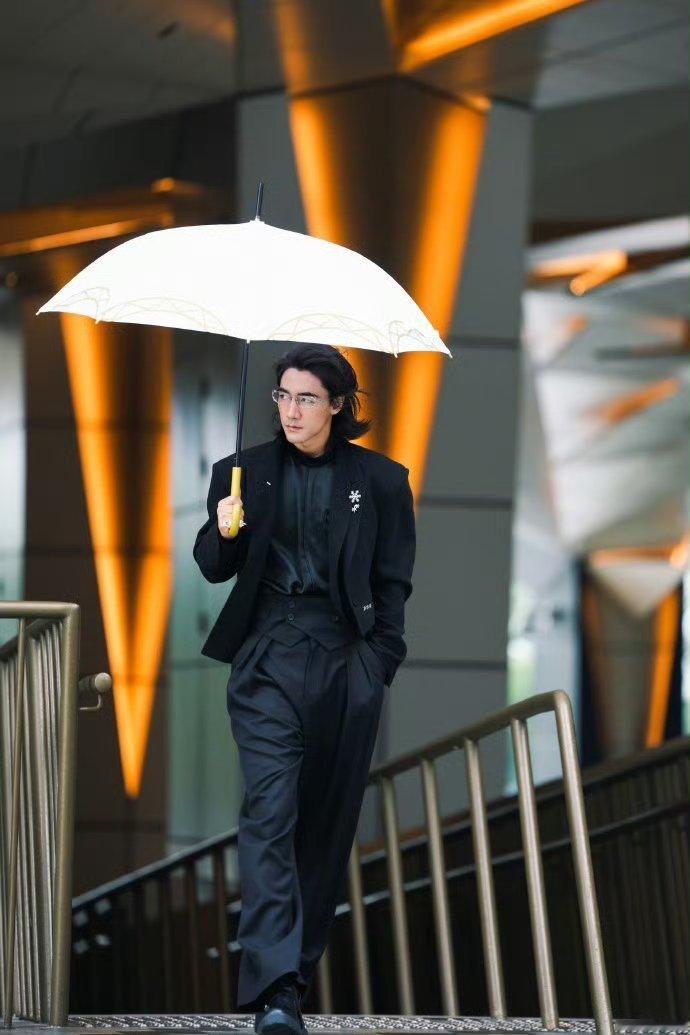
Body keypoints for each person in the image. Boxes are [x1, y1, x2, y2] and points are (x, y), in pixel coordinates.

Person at [192, 343, 416, 1034]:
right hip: (266, 660)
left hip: (346, 664)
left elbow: (393, 582)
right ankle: (274, 989)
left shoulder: (381, 481)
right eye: (283, 396)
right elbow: (212, 565)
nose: (291, 411)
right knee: (270, 812)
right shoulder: (241, 472)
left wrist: (378, 664)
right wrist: (224, 529)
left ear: (338, 405)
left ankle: (294, 976)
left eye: (307, 398)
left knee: (324, 827)